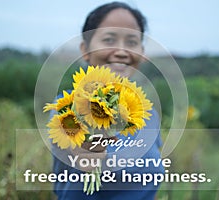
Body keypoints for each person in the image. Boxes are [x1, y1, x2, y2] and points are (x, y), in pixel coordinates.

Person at [52, 2, 163, 200]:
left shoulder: (149, 114)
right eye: (109, 39)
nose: (121, 51)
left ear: (142, 52)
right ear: (85, 49)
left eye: (131, 42)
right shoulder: (67, 106)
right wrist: (85, 149)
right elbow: (74, 147)